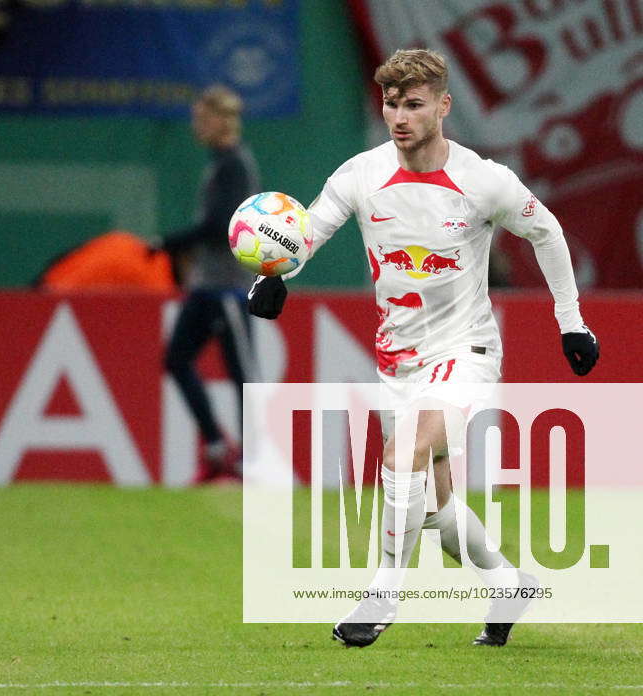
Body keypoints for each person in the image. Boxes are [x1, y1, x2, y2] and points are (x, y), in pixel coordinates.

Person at [249, 49, 599, 646]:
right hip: (399, 362)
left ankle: (382, 594)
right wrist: (275, 276)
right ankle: (511, 582)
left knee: (403, 451)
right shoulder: (359, 175)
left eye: (414, 104)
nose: (400, 116)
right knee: (436, 514)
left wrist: (572, 322)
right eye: (391, 104)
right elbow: (307, 233)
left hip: (466, 351)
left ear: (443, 105)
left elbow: (547, 232)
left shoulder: (481, 180)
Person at [159, 85, 261, 482]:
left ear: (221, 120)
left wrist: (168, 242)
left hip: (230, 286)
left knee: (244, 375)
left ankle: (250, 462)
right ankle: (217, 446)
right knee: (176, 359)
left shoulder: (235, 164)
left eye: (201, 117)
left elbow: (222, 226)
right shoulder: (219, 164)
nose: (195, 125)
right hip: (207, 285)